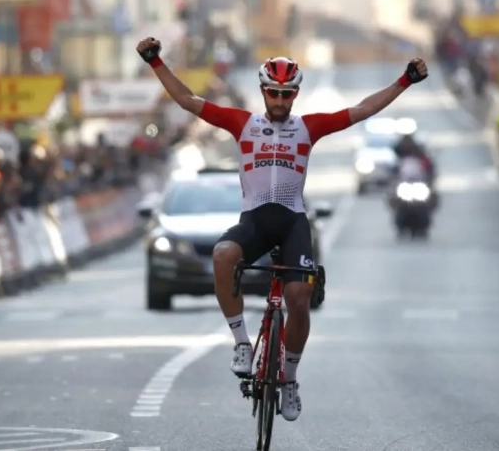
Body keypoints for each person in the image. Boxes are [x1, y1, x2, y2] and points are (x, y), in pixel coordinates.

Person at [137, 37, 429, 421]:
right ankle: (242, 344)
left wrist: (403, 81)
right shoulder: (243, 123)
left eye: (286, 94)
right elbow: (188, 100)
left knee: (298, 298)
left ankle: (289, 379)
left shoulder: (309, 127)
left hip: (292, 222)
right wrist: (156, 62)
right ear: (263, 92)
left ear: (295, 95)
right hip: (255, 220)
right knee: (223, 255)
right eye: (273, 93)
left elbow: (362, 109)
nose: (279, 101)